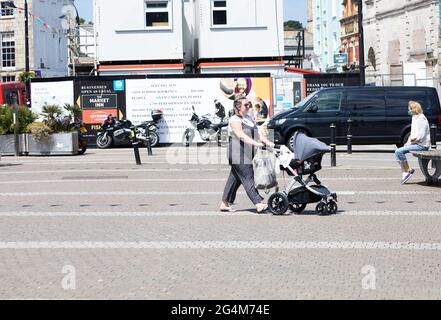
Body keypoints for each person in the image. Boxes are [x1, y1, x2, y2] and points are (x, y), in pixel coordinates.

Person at [220, 95, 275, 213]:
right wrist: (255, 143)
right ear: (238, 107)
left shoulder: (249, 118)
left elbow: (259, 134)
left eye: (249, 104)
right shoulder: (234, 119)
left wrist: (268, 142)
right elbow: (241, 135)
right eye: (246, 105)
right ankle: (258, 203)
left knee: (235, 178)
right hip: (236, 151)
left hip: (247, 152)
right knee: (247, 175)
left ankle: (224, 203)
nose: (248, 106)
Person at [394, 101, 431, 184]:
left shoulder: (421, 118)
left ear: (414, 109)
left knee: (398, 151)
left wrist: (413, 141)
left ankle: (406, 172)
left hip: (422, 145)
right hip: (417, 143)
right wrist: (407, 143)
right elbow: (412, 133)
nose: (408, 111)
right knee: (398, 152)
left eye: (409, 109)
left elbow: (421, 135)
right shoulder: (415, 118)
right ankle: (406, 171)